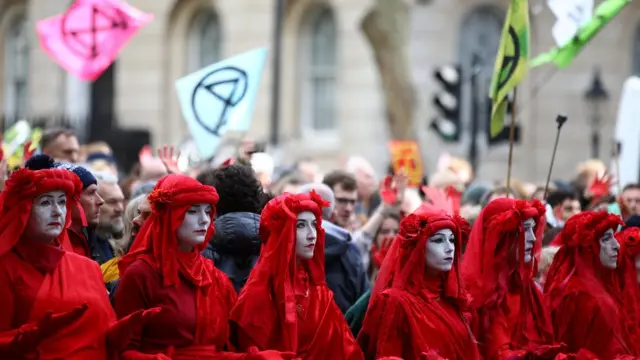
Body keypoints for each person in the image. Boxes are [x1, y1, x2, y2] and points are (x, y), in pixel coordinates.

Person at [115, 174, 288, 359]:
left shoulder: (215, 278)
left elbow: (222, 350)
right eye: (192, 211)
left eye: (207, 211)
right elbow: (121, 349)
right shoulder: (141, 274)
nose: (204, 219)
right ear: (170, 215)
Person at [229, 192, 363, 359]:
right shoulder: (258, 295)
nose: (312, 234)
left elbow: (345, 349)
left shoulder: (318, 291)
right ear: (281, 232)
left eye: (314, 225)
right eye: (300, 225)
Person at [0, 164, 115, 358]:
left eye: (62, 202)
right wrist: (30, 336)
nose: (57, 212)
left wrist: (124, 332)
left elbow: (105, 332)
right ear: (22, 210)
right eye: (45, 203)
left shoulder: (88, 267)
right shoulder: (5, 267)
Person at [357, 204, 480, 359]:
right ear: (418, 247)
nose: (450, 248)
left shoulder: (454, 299)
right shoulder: (394, 302)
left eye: (452, 240)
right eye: (438, 240)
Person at [461, 198, 564, 359]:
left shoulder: (527, 287)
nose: (532, 238)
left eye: (533, 229)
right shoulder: (483, 294)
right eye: (524, 230)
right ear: (501, 237)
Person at [546, 211, 639, 358]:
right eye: (606, 239)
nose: (616, 245)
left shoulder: (601, 288)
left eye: (614, 237)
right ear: (589, 246)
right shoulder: (582, 296)